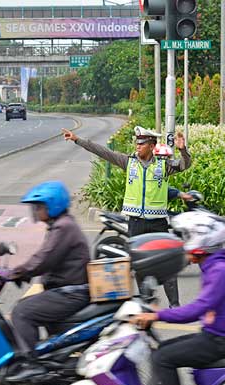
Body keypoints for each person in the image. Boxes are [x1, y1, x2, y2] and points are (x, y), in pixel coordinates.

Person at [130, 211, 225, 385]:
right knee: (162, 349)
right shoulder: (214, 264)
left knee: (163, 357)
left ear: (201, 240)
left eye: (187, 236)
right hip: (215, 334)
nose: (184, 242)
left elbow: (196, 309)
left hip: (221, 339)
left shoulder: (218, 270)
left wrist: (157, 315)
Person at [63, 126, 191, 307]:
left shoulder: (163, 166)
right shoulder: (128, 162)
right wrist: (77, 140)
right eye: (137, 143)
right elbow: (103, 152)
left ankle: (175, 305)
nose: (137, 146)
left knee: (167, 264)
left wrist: (183, 150)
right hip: (136, 223)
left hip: (158, 224)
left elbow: (185, 165)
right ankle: (145, 302)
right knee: (140, 265)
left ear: (152, 145)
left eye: (142, 143)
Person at [0, 181, 91, 382]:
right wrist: (21, 274)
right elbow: (46, 259)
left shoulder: (63, 228)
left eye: (39, 207)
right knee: (29, 307)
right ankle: (48, 361)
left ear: (52, 206)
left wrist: (14, 274)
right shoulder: (60, 226)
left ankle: (31, 364)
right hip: (67, 290)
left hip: (71, 292)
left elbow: (43, 259)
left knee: (22, 311)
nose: (36, 211)